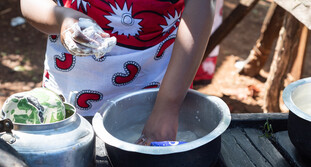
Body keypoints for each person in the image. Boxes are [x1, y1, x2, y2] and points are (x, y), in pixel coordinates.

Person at [20, 0, 215, 146]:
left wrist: (167, 106)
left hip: (157, 87)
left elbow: (201, 6)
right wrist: (62, 18)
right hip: (71, 83)